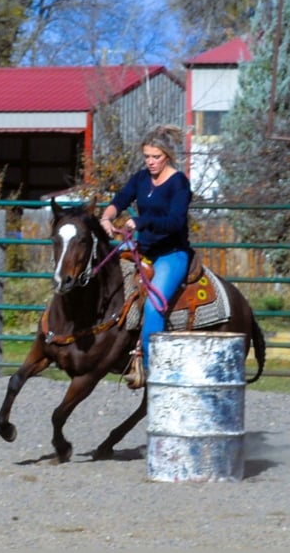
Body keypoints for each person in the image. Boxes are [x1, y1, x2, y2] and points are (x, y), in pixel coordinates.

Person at [99, 124, 192, 389]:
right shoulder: (141, 178)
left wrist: (141, 221)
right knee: (101, 271)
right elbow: (121, 198)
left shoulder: (179, 184)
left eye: (156, 157)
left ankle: (152, 370)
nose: (151, 162)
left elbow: (175, 221)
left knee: (154, 306)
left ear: (167, 156)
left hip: (170, 253)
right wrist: (107, 216)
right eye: (147, 157)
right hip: (143, 248)